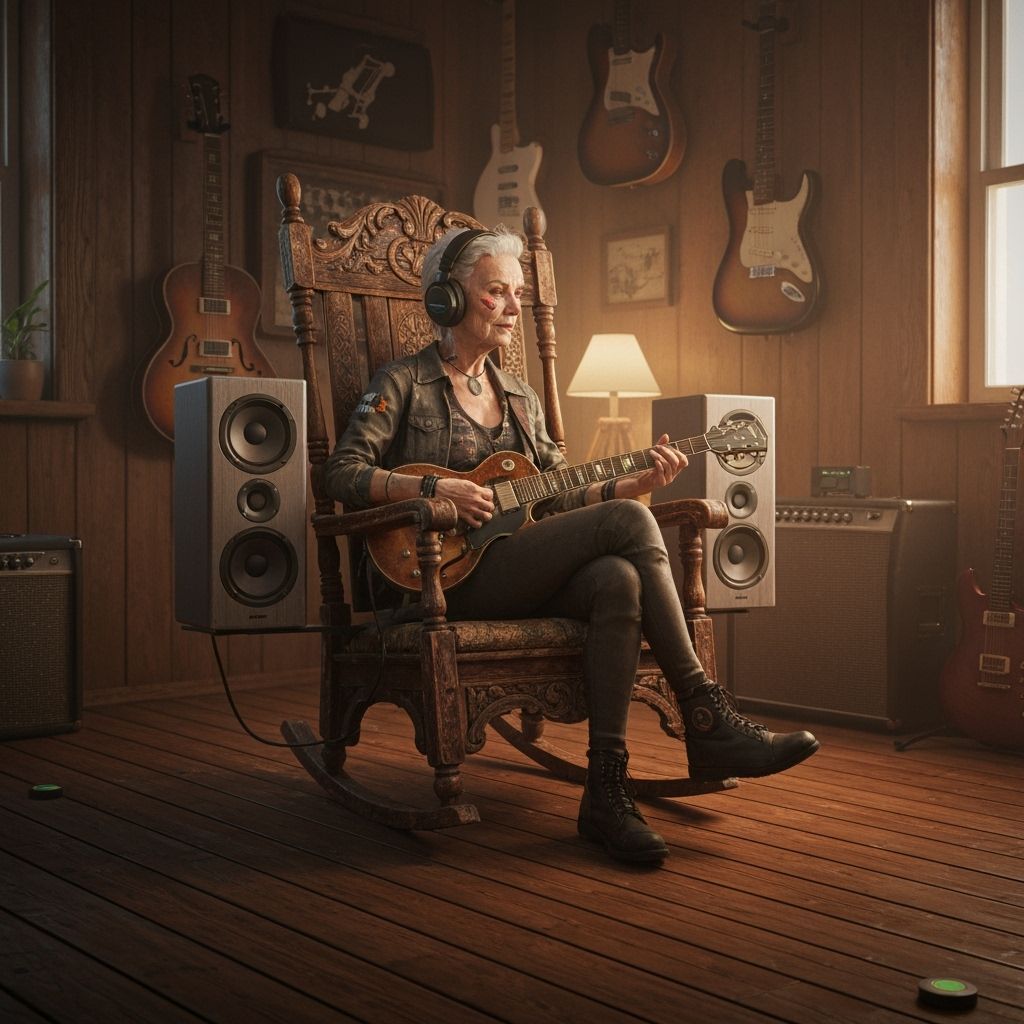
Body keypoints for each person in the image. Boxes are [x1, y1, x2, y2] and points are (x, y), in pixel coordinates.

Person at [323, 224, 819, 865]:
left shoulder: (520, 398)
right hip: (439, 581)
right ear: (448, 299)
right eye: (495, 292)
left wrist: (632, 481)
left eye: (518, 293)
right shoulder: (401, 383)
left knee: (618, 576)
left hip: (512, 570)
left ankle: (606, 793)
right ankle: (707, 716)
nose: (511, 307)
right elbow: (340, 475)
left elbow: (556, 499)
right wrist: (432, 492)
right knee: (630, 525)